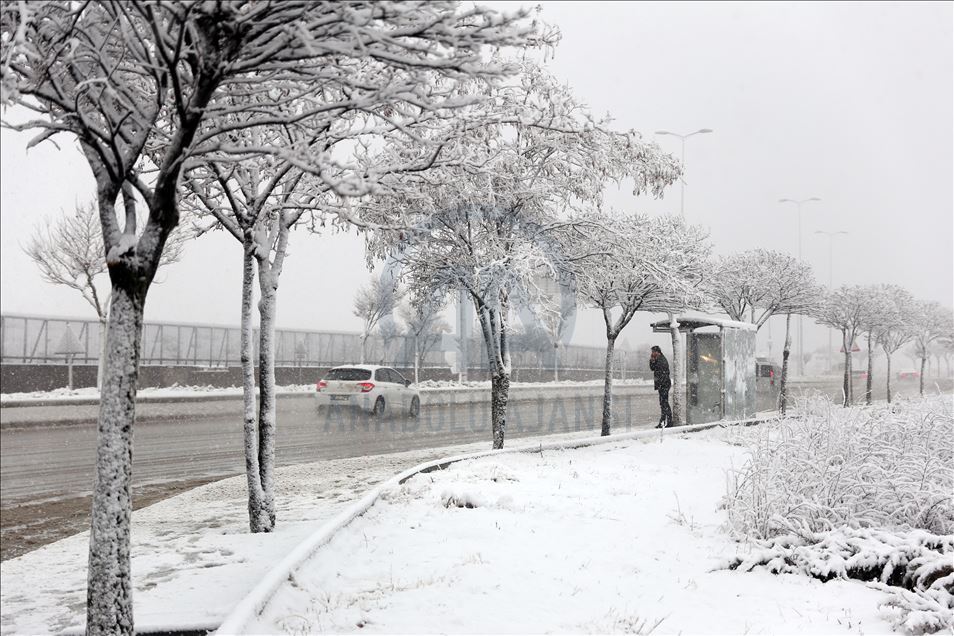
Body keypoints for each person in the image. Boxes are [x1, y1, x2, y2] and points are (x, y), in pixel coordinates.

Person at [649, 346, 673, 428]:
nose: (652, 353)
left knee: (664, 403)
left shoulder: (662, 360)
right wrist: (652, 361)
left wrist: (661, 386)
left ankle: (669, 422)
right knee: (663, 404)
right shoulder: (658, 359)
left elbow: (662, 374)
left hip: (664, 385)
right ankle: (663, 422)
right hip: (662, 385)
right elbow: (652, 368)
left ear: (657, 352)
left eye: (653, 352)